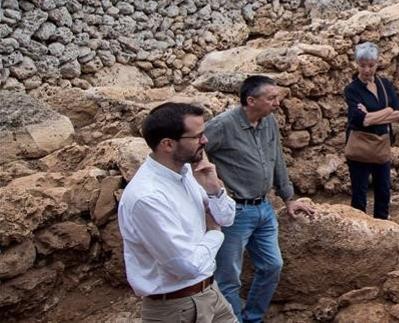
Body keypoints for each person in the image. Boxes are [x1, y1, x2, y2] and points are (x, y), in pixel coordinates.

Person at [204, 75, 316, 323]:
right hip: (235, 212)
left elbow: (277, 159)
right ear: (251, 100)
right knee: (228, 278)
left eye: (277, 97)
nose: (277, 102)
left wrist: (288, 198)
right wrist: (208, 191)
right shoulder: (223, 125)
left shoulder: (269, 122)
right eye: (271, 98)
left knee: (272, 266)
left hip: (264, 207)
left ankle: (252, 318)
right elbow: (195, 151)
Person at [118, 102, 238, 322]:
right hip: (175, 308)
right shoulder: (148, 197)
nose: (205, 141)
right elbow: (185, 266)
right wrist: (214, 233)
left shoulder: (188, 173)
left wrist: (214, 190)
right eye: (197, 136)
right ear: (168, 144)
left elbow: (227, 218)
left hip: (211, 293)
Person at [343, 42, 399, 219]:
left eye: (371, 65)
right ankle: (359, 228)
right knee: (359, 192)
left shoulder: (385, 85)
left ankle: (382, 226)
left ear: (377, 63)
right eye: (362, 65)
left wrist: (373, 116)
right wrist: (386, 111)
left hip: (381, 145)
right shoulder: (352, 89)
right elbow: (361, 119)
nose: (367, 70)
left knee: (383, 190)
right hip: (360, 147)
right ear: (357, 64)